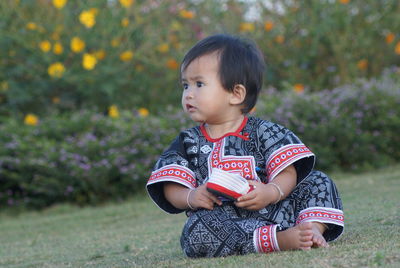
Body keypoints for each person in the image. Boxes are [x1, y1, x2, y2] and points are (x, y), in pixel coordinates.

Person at [146, 34, 344, 258]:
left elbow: (288, 171)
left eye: (199, 84)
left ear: (236, 93)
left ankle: (311, 229)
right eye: (185, 85)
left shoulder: (264, 131)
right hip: (224, 223)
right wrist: (191, 196)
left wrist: (271, 191)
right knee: (197, 230)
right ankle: (278, 240)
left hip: (278, 211)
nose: (188, 94)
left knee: (317, 181)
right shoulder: (187, 142)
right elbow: (170, 187)